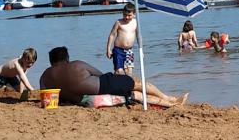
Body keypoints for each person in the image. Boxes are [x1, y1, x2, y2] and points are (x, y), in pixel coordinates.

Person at [40, 46, 187, 107]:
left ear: (51, 61)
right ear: (67, 59)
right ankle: (167, 99)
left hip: (81, 98)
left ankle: (169, 102)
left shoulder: (45, 76)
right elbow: (100, 74)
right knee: (135, 83)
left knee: (133, 95)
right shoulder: (76, 65)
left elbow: (46, 99)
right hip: (101, 86)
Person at [105, 3, 139, 74]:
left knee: (129, 72)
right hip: (118, 50)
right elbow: (112, 35)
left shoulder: (136, 22)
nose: (126, 17)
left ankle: (128, 85)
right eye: (124, 15)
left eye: (129, 15)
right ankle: (115, 82)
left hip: (129, 50)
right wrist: (108, 49)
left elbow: (138, 35)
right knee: (119, 71)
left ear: (134, 14)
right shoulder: (119, 22)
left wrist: (141, 50)